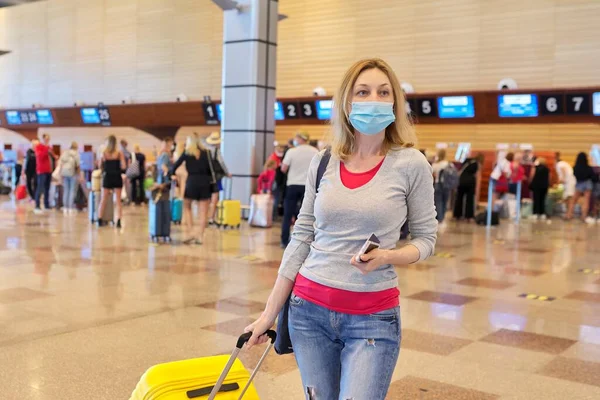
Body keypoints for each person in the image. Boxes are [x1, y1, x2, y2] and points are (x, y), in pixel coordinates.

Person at [244, 58, 437, 400]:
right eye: (363, 92)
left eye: (383, 92)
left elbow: (426, 239)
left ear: (395, 102)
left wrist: (388, 256)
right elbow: (302, 236)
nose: (374, 100)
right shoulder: (323, 161)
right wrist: (268, 314)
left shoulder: (411, 164)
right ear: (347, 102)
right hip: (308, 313)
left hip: (373, 320)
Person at [171, 134, 217, 245]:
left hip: (192, 182)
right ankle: (200, 236)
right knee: (203, 211)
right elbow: (212, 170)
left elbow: (175, 165)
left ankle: (191, 232)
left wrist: (171, 174)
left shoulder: (187, 153)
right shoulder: (207, 153)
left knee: (187, 207)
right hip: (205, 182)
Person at [280, 132, 319, 247]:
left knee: (287, 215)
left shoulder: (292, 151)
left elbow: (283, 168)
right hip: (308, 186)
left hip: (292, 185)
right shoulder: (315, 151)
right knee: (307, 215)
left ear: (299, 138)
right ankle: (306, 241)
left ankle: (284, 240)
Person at [98, 135, 126, 228]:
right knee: (118, 201)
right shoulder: (119, 153)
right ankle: (118, 220)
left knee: (103, 199)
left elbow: (99, 166)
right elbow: (124, 166)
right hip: (117, 176)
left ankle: (100, 218)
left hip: (107, 177)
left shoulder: (104, 153)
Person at [204, 132, 231, 225]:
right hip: (216, 177)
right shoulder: (216, 151)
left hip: (206, 177)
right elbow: (222, 163)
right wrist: (227, 173)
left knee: (207, 198)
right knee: (215, 197)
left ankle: (205, 217)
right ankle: (211, 218)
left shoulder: (205, 151)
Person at [453, 153, 483, 221]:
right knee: (469, 199)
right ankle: (468, 216)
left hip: (461, 181)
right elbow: (477, 176)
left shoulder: (467, 161)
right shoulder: (477, 164)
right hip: (470, 182)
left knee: (459, 198)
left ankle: (457, 215)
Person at [569, 152, 596, 224]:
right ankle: (583, 216)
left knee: (573, 200)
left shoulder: (575, 167)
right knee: (586, 201)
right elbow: (593, 176)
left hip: (579, 183)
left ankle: (569, 214)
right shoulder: (588, 167)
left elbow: (575, 175)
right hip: (588, 183)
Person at [33, 134, 56, 214]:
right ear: (42, 139)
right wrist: (46, 149)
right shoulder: (39, 147)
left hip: (48, 170)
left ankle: (46, 204)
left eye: (48, 139)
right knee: (40, 188)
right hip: (41, 171)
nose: (47, 141)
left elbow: (52, 157)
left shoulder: (49, 147)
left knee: (47, 189)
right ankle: (37, 205)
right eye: (46, 139)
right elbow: (40, 157)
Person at [59, 141, 81, 215]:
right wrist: (79, 175)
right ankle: (70, 208)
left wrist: (60, 174)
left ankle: (65, 207)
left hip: (65, 173)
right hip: (73, 174)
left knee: (66, 190)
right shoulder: (76, 154)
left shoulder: (65, 153)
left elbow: (61, 164)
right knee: (72, 191)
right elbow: (78, 166)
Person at [555, 152, 576, 219]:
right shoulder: (562, 163)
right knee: (567, 199)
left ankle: (569, 214)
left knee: (570, 199)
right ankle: (568, 213)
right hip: (568, 182)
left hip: (569, 182)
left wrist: (563, 179)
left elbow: (563, 170)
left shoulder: (560, 164)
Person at [432, 148, 450, 223]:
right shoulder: (447, 164)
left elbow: (433, 174)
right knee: (445, 200)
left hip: (438, 184)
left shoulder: (435, 164)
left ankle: (440, 217)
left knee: (438, 201)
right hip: (446, 185)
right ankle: (443, 215)